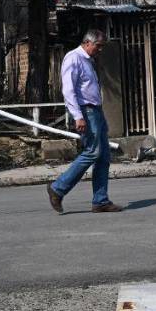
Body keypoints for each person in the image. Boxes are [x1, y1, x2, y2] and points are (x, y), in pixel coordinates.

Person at [46, 29, 122, 213]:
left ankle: (100, 200)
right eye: (98, 46)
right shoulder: (73, 58)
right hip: (86, 111)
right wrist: (78, 116)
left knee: (103, 156)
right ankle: (58, 188)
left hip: (96, 111)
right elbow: (68, 90)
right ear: (88, 42)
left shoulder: (88, 60)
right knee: (92, 152)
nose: (100, 50)